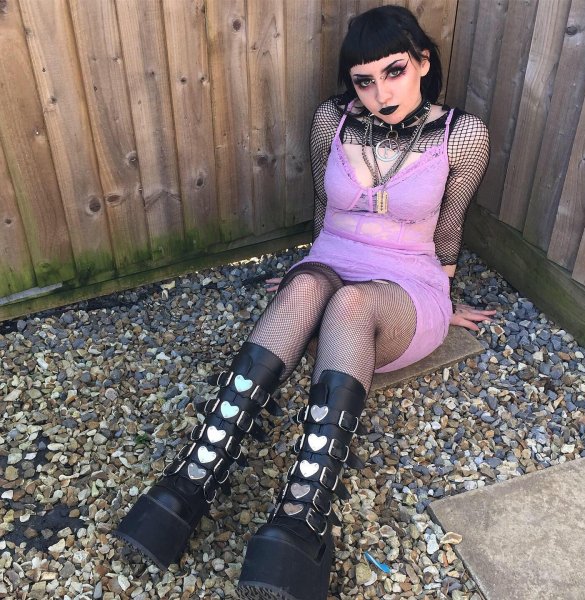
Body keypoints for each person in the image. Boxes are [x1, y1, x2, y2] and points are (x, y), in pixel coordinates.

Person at [115, 5, 494, 599]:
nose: (380, 93)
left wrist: (448, 298)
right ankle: (190, 481)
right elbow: (323, 207)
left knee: (350, 308)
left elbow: (449, 227)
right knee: (309, 291)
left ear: (423, 62)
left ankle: (301, 513)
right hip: (331, 257)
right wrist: (304, 277)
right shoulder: (331, 120)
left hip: (405, 283)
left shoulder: (462, 134)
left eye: (394, 71)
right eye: (364, 80)